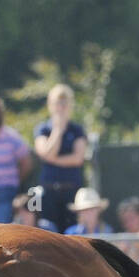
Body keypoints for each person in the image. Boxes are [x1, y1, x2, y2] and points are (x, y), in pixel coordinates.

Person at [33, 84, 89, 232]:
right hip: (49, 191)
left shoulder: (77, 130)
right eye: (57, 103)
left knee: (72, 232)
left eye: (65, 103)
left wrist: (53, 159)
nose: (61, 107)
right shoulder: (43, 129)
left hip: (71, 190)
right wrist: (57, 131)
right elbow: (44, 152)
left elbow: (78, 158)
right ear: (50, 105)